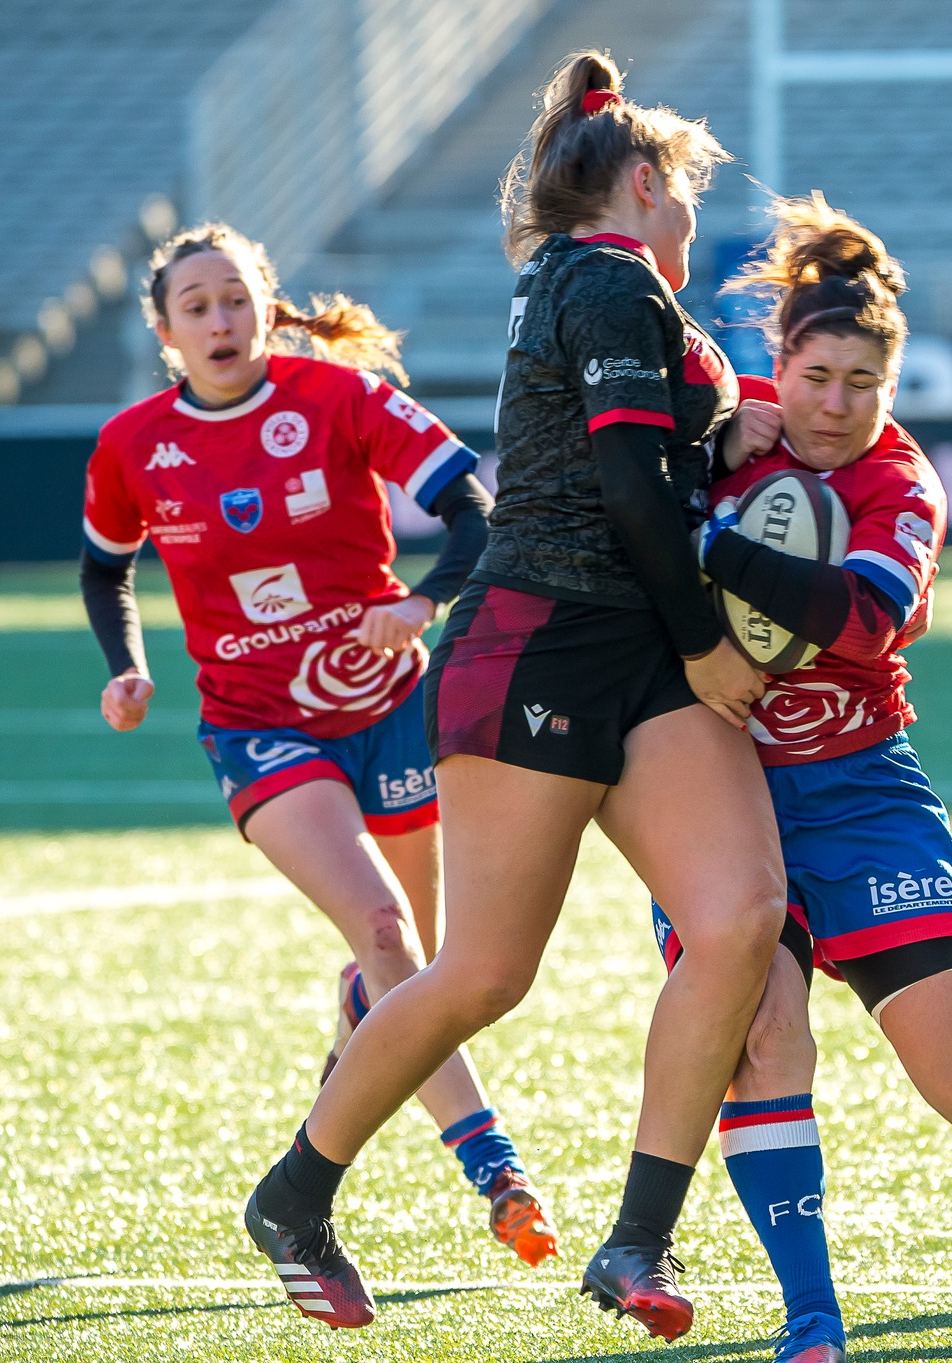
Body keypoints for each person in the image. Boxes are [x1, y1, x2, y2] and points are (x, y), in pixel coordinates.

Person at [240, 52, 787, 1334]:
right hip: (538, 643)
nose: (695, 225)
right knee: (484, 970)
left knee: (741, 914)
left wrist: (721, 435)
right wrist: (712, 639)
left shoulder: (599, 285)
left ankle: (636, 1245)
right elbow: (622, 492)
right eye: (688, 196)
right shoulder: (601, 276)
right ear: (644, 183)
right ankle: (293, 1193)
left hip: (629, 645)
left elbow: (647, 454)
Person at [646, 195, 952, 1361]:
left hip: (860, 787)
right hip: (716, 792)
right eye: (816, 376)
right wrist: (705, 456)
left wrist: (712, 546)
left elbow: (862, 618)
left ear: (892, 382)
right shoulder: (718, 437)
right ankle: (811, 1314)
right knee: (760, 1039)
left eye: (864, 382)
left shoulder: (901, 485)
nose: (835, 404)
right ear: (781, 364)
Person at [80, 223, 559, 1274]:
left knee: (415, 968)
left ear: (266, 307)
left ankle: (355, 1020)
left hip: (390, 706)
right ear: (165, 331)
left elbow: (471, 510)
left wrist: (423, 601)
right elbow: (105, 568)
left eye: (235, 299)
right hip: (258, 725)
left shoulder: (338, 400)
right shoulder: (131, 443)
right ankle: (498, 1172)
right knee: (385, 928)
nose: (219, 320)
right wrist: (126, 662)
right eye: (195, 306)